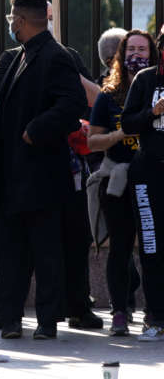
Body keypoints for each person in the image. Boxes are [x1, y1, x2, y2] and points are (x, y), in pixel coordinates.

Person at [0, 0, 88, 339]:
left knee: (45, 253)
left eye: (13, 17)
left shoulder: (56, 57)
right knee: (11, 255)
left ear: (22, 20)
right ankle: (10, 319)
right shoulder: (15, 57)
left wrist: (35, 130)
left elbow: (72, 104)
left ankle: (46, 321)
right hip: (12, 177)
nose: (11, 22)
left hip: (41, 176)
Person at [88, 29, 152, 337]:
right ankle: (119, 311)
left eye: (143, 49)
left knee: (153, 247)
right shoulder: (108, 94)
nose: (136, 55)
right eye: (131, 50)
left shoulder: (158, 90)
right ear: (120, 56)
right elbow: (93, 141)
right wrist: (119, 135)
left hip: (153, 178)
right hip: (118, 179)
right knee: (121, 249)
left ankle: (155, 312)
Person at [113, 34, 164, 341]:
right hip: (148, 175)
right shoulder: (145, 80)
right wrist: (152, 113)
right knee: (151, 246)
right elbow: (128, 124)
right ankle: (155, 315)